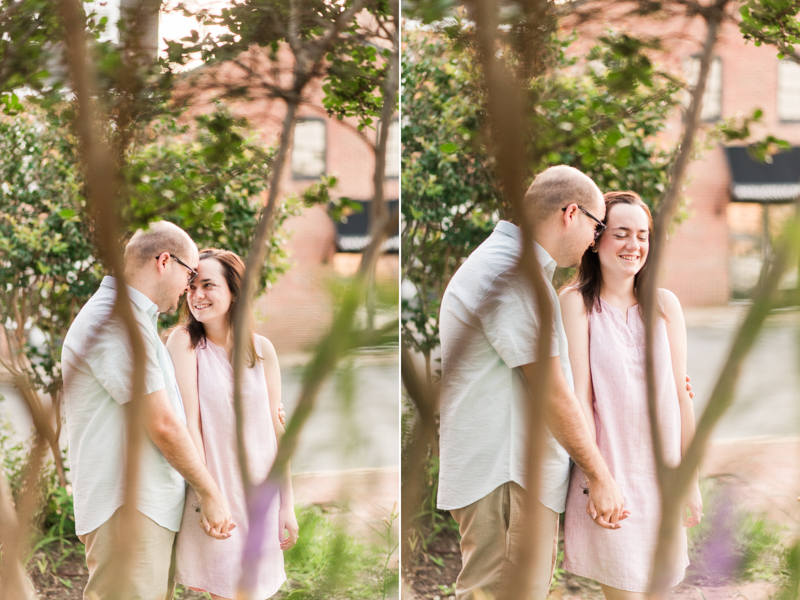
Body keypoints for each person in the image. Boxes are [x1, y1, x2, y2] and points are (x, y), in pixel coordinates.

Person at [437, 165, 629, 600]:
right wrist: (599, 476)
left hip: (504, 477)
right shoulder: (514, 275)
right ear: (571, 213)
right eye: (596, 227)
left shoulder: (508, 266)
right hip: (508, 477)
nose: (595, 240)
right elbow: (551, 391)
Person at [62, 221, 234, 600]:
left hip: (141, 507)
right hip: (128, 506)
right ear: (164, 261)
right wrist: (211, 492)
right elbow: (162, 423)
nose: (189, 290)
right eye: (190, 276)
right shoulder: (115, 322)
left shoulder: (133, 320)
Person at [560, 191, 703, 597]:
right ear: (597, 238)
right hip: (612, 474)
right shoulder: (575, 305)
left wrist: (689, 480)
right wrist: (596, 480)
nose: (634, 245)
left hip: (663, 476)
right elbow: (579, 400)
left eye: (642, 235)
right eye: (621, 233)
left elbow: (681, 396)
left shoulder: (664, 305)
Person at [166, 248, 299, 600]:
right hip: (217, 490)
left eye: (208, 285)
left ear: (235, 290)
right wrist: (210, 496)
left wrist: (287, 504)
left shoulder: (263, 350)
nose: (197, 295)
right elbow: (189, 426)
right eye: (191, 286)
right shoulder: (184, 343)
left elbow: (276, 431)